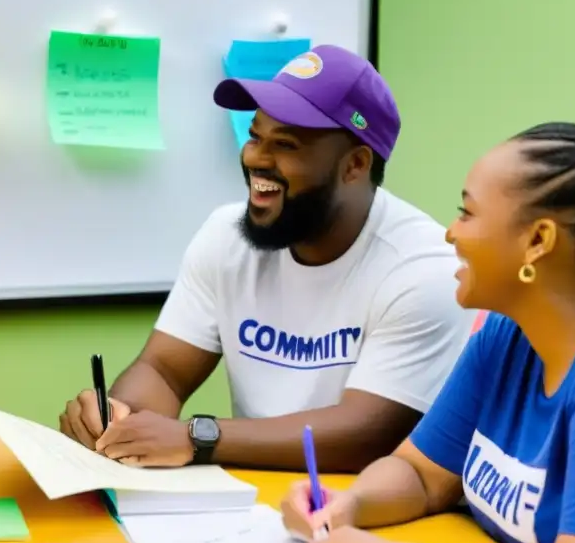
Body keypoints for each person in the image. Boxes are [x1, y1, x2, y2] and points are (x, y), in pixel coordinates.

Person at [280, 84, 575, 543]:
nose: (450, 233)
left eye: (467, 213)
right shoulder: (507, 335)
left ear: (537, 241)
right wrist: (349, 507)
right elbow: (422, 475)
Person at [60, 45, 474, 471]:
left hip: (367, 512)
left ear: (354, 165)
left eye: (286, 145)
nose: (256, 158)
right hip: (249, 507)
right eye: (255, 136)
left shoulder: (423, 268)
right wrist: (119, 421)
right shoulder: (226, 238)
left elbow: (367, 433)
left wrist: (198, 437)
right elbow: (164, 370)